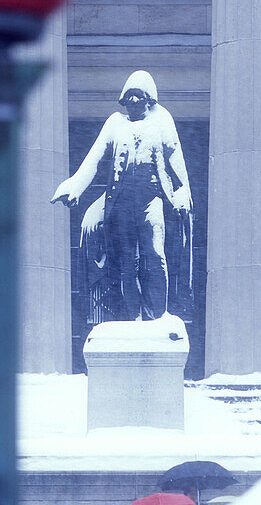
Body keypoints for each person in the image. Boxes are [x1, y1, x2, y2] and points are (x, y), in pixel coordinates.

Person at [51, 70, 193, 323]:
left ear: (149, 99)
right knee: (127, 263)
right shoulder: (115, 123)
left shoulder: (162, 121)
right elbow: (93, 159)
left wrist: (184, 190)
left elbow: (175, 157)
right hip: (121, 204)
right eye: (128, 97)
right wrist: (75, 186)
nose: (133, 102)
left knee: (155, 254)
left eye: (138, 96)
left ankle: (158, 315)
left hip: (152, 200)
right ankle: (133, 318)